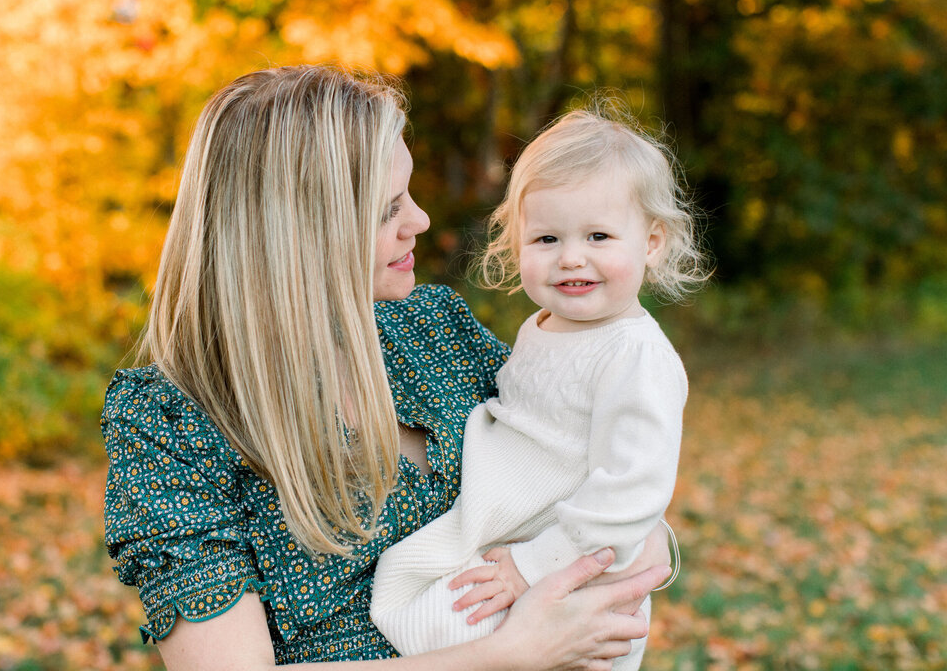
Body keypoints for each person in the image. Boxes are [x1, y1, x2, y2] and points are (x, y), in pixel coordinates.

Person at [101, 66, 672, 670]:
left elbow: (596, 475)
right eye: (387, 210)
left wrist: (619, 551)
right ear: (301, 235)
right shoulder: (173, 421)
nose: (420, 221)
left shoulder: (431, 329)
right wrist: (514, 653)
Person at [369, 104, 707, 669]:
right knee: (408, 592)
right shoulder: (544, 328)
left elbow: (631, 493)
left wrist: (536, 565)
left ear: (651, 243)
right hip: (513, 526)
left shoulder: (637, 356)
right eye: (547, 238)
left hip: (565, 562)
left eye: (598, 236)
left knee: (446, 618)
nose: (571, 258)